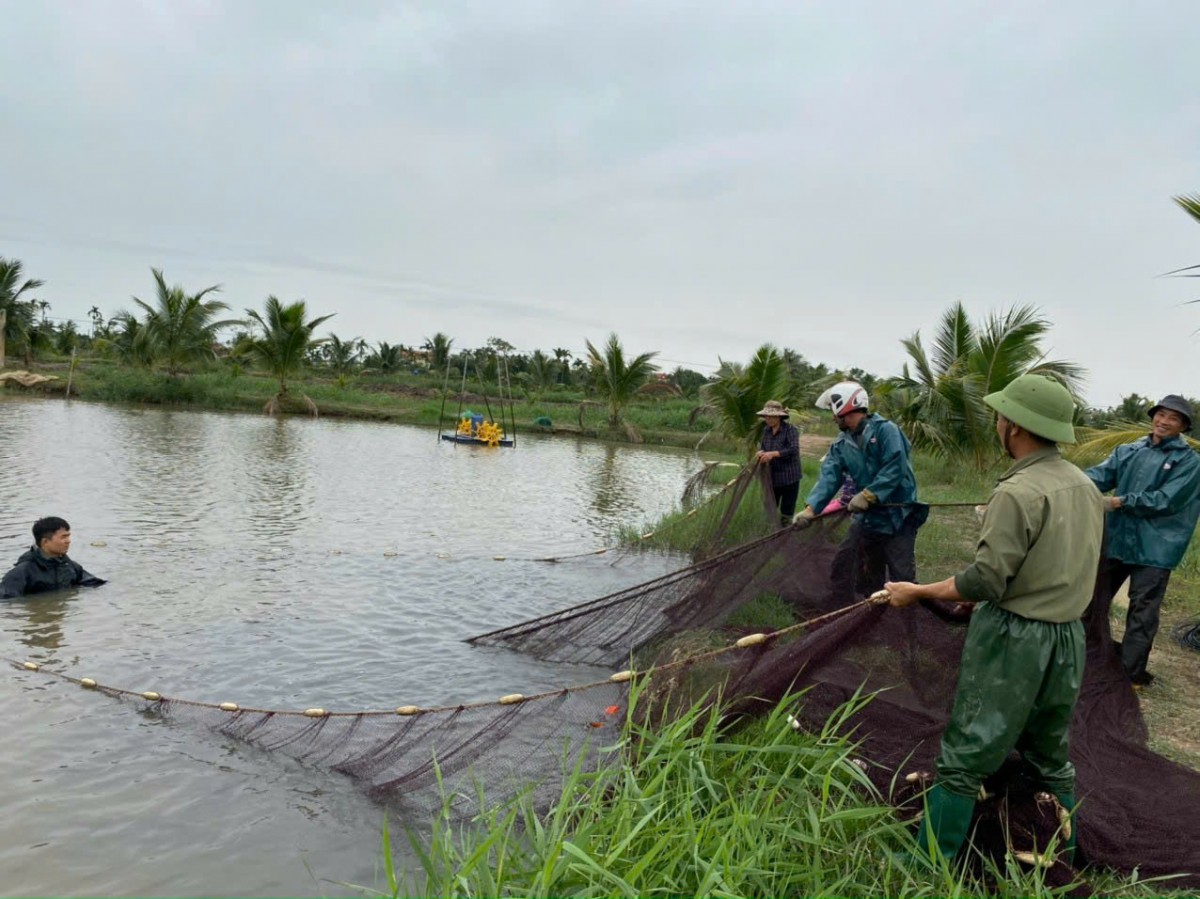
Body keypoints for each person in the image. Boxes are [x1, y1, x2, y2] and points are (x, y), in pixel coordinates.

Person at [884, 374, 1104, 864]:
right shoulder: (1084, 485)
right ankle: (1063, 855)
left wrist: (917, 591)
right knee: (1049, 753)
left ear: (1016, 426)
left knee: (968, 752)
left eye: (1001, 416)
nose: (998, 423)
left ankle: (929, 862)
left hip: (1014, 639)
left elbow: (985, 580)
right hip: (1067, 638)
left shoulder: (1017, 491)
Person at [1084, 394, 1200, 687]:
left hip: (1156, 547)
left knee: (1142, 612)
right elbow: (1099, 476)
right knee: (1092, 600)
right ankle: (1086, 657)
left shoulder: (1189, 462)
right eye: (1161, 414)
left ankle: (1129, 675)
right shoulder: (1129, 450)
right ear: (1153, 416)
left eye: (1173, 418)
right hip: (1117, 539)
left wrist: (1119, 502)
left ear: (1183, 427)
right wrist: (1066, 482)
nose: (1164, 421)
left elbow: (1166, 500)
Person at [794, 381, 926, 597]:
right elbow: (829, 476)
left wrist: (869, 494)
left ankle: (907, 611)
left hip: (898, 514)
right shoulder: (841, 444)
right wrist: (811, 509)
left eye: (834, 412)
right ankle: (867, 607)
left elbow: (895, 466)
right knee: (854, 564)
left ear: (845, 406)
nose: (833, 417)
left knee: (901, 574)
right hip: (869, 516)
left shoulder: (886, 430)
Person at [1, 517, 106, 599]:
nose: (68, 541)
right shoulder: (22, 572)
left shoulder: (71, 566)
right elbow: (8, 602)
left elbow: (94, 584)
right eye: (63, 537)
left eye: (68, 536)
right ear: (45, 542)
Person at [754, 400, 802, 527]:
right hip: (772, 477)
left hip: (789, 477)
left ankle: (786, 532)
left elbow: (793, 449)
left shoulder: (790, 430)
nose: (768, 419)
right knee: (770, 507)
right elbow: (763, 447)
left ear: (779, 416)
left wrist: (773, 454)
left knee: (787, 510)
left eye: (771, 416)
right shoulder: (766, 430)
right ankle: (771, 530)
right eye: (766, 416)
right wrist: (760, 452)